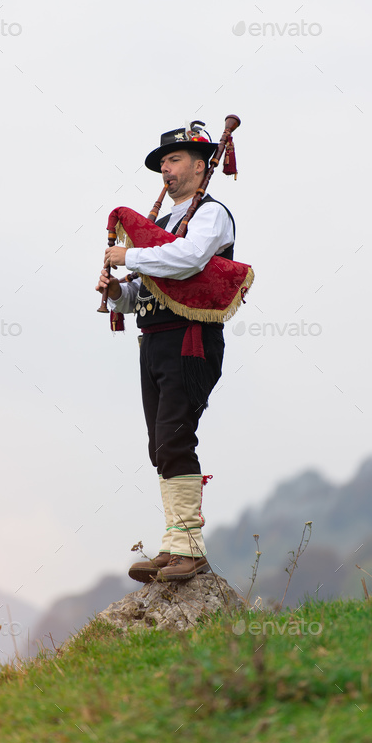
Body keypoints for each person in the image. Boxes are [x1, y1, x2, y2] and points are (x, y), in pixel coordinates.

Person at [95, 123, 236, 583]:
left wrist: (129, 257)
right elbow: (139, 297)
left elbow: (190, 260)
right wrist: (117, 290)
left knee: (176, 437)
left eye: (173, 161)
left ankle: (190, 549)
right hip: (153, 340)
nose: (166, 170)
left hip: (190, 339)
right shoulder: (158, 228)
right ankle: (175, 544)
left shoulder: (211, 216)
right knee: (161, 445)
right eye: (163, 163)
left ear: (201, 164)